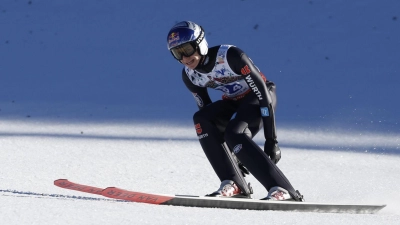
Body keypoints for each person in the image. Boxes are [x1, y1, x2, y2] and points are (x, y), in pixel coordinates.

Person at [166, 21, 303, 201]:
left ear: (200, 43)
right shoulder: (190, 76)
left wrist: (271, 140)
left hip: (260, 97)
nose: (185, 58)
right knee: (201, 119)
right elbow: (210, 118)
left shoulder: (230, 56)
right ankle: (233, 182)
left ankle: (283, 190)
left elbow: (262, 94)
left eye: (187, 49)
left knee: (234, 133)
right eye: (178, 53)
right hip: (234, 101)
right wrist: (233, 155)